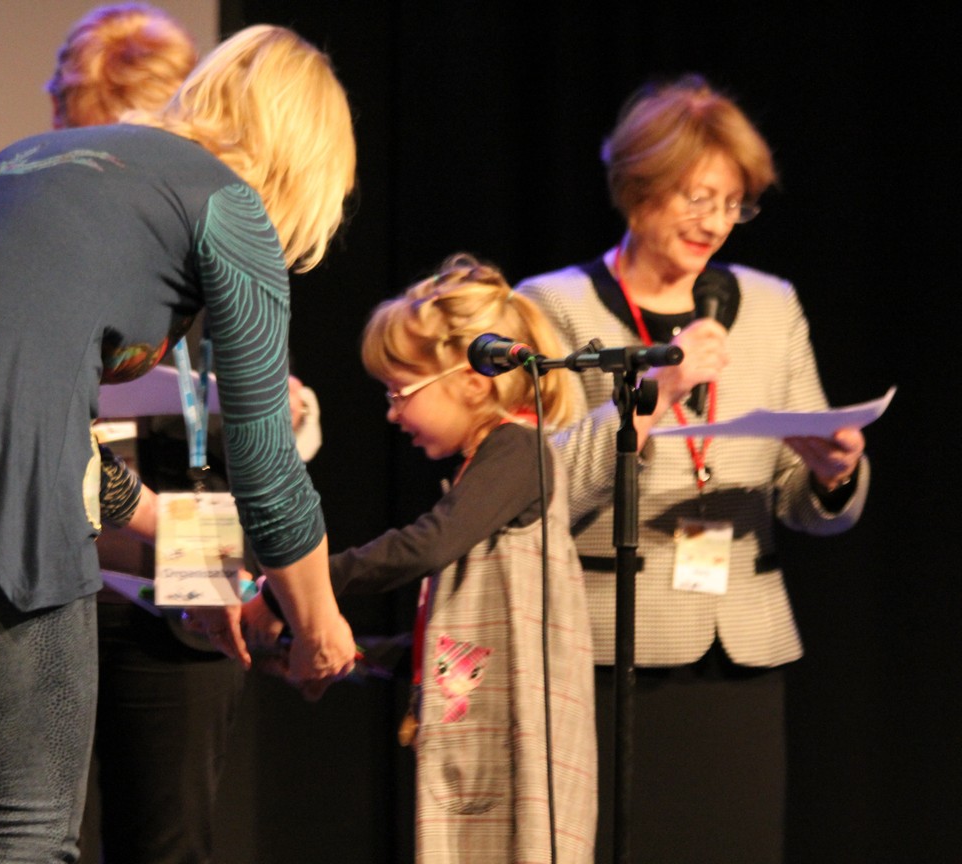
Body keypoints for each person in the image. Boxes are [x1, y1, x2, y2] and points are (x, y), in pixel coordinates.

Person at [0, 23, 358, 862]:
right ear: (308, 163)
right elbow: (269, 472)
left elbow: (29, 430)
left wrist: (184, 548)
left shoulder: (32, 161)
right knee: (21, 835)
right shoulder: (229, 206)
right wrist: (319, 625)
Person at [516, 74, 869, 863]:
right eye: (696, 198)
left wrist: (832, 473)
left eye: (734, 203)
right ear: (638, 186)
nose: (715, 223)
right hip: (608, 651)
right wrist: (653, 396)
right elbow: (534, 488)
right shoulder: (552, 306)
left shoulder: (772, 305)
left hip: (742, 650)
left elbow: (799, 493)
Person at [46, 7, 321, 861]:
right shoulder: (46, 214)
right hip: (55, 563)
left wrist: (289, 415)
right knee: (24, 827)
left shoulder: (223, 224)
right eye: (96, 130)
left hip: (190, 568)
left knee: (167, 840)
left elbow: (265, 442)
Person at [241, 254, 596, 863]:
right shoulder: (489, 468)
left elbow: (423, 546)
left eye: (400, 391)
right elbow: (463, 648)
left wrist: (290, 589)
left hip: (517, 750)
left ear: (474, 381)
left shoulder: (518, 451)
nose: (392, 412)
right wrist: (346, 653)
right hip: (485, 748)